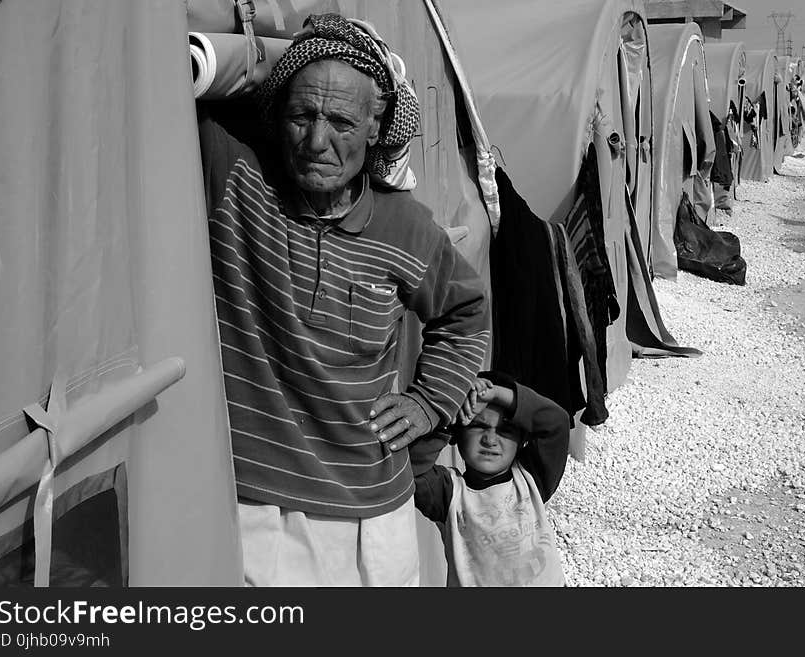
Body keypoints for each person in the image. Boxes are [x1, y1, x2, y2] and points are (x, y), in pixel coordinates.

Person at [197, 13, 490, 586]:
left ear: (378, 128)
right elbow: (178, 64)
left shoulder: (408, 228)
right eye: (301, 115)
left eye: (341, 121)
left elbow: (466, 313)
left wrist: (430, 402)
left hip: (373, 509)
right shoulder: (237, 177)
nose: (316, 141)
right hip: (254, 505)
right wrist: (286, 59)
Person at [412, 372, 570, 586]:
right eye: (478, 426)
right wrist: (450, 413)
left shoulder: (531, 477)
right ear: (457, 433)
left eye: (505, 431)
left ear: (522, 439)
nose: (490, 440)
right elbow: (411, 469)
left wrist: (494, 394)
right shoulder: (447, 492)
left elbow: (556, 422)